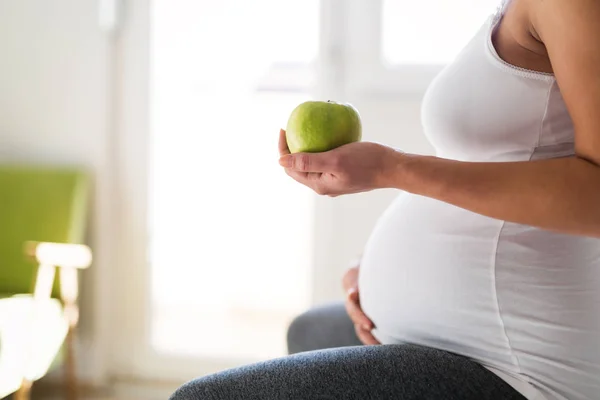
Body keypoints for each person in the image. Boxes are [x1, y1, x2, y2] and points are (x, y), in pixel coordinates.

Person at [170, 0, 600, 398]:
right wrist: (376, 267)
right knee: (309, 330)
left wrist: (390, 169)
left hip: (512, 360)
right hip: (451, 328)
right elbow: (493, 160)